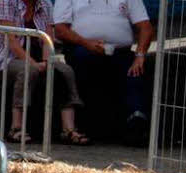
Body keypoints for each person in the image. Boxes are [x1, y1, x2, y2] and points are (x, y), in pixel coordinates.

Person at [0, 0, 90, 145]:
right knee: (28, 71)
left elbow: (47, 39)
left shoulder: (45, 4)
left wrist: (47, 62)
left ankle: (69, 129)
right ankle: (16, 128)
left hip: (36, 57)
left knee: (65, 71)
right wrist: (34, 64)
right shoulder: (7, 2)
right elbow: (12, 43)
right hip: (5, 59)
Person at [53, 0, 154, 146]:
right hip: (82, 48)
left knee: (136, 70)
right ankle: (88, 125)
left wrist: (140, 56)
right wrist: (87, 43)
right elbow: (60, 29)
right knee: (83, 63)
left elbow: (146, 27)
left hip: (120, 51)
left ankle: (136, 121)